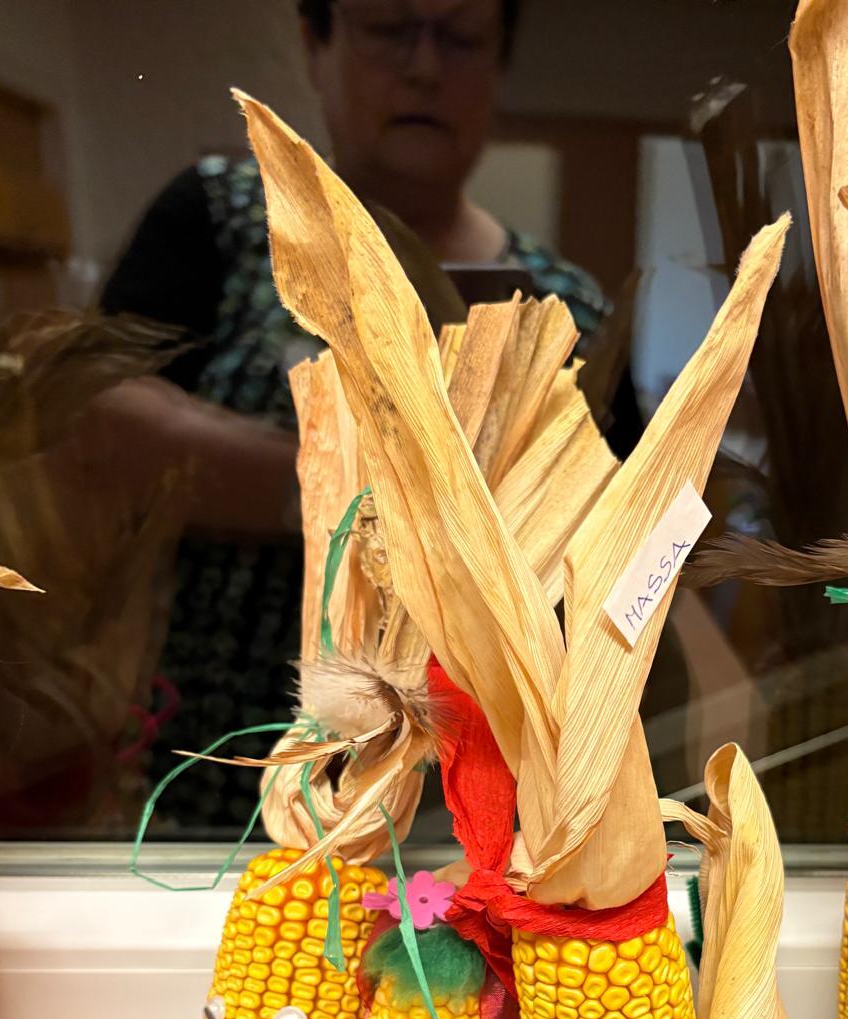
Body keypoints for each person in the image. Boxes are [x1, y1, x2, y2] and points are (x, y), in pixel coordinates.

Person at [95, 0, 619, 830]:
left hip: (474, 796)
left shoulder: (566, 306)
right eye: (386, 30)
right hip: (226, 764)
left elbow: (618, 537)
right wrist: (362, 497)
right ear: (316, 43)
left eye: (461, 39)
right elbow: (105, 420)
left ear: (499, 63)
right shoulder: (224, 219)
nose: (424, 68)